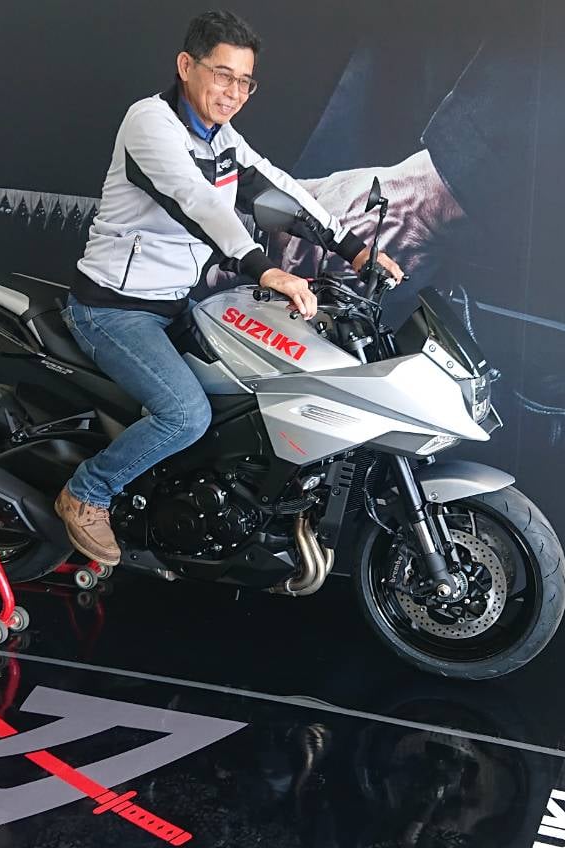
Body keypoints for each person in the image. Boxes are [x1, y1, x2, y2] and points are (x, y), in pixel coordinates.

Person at [54, 9, 402, 568]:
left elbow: (280, 188)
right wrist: (265, 269)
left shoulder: (221, 137)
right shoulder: (150, 123)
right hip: (113, 310)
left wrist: (355, 250)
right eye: (222, 75)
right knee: (185, 416)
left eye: (244, 81)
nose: (233, 93)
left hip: (175, 304)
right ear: (185, 65)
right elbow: (197, 201)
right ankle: (87, 492)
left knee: (247, 393)